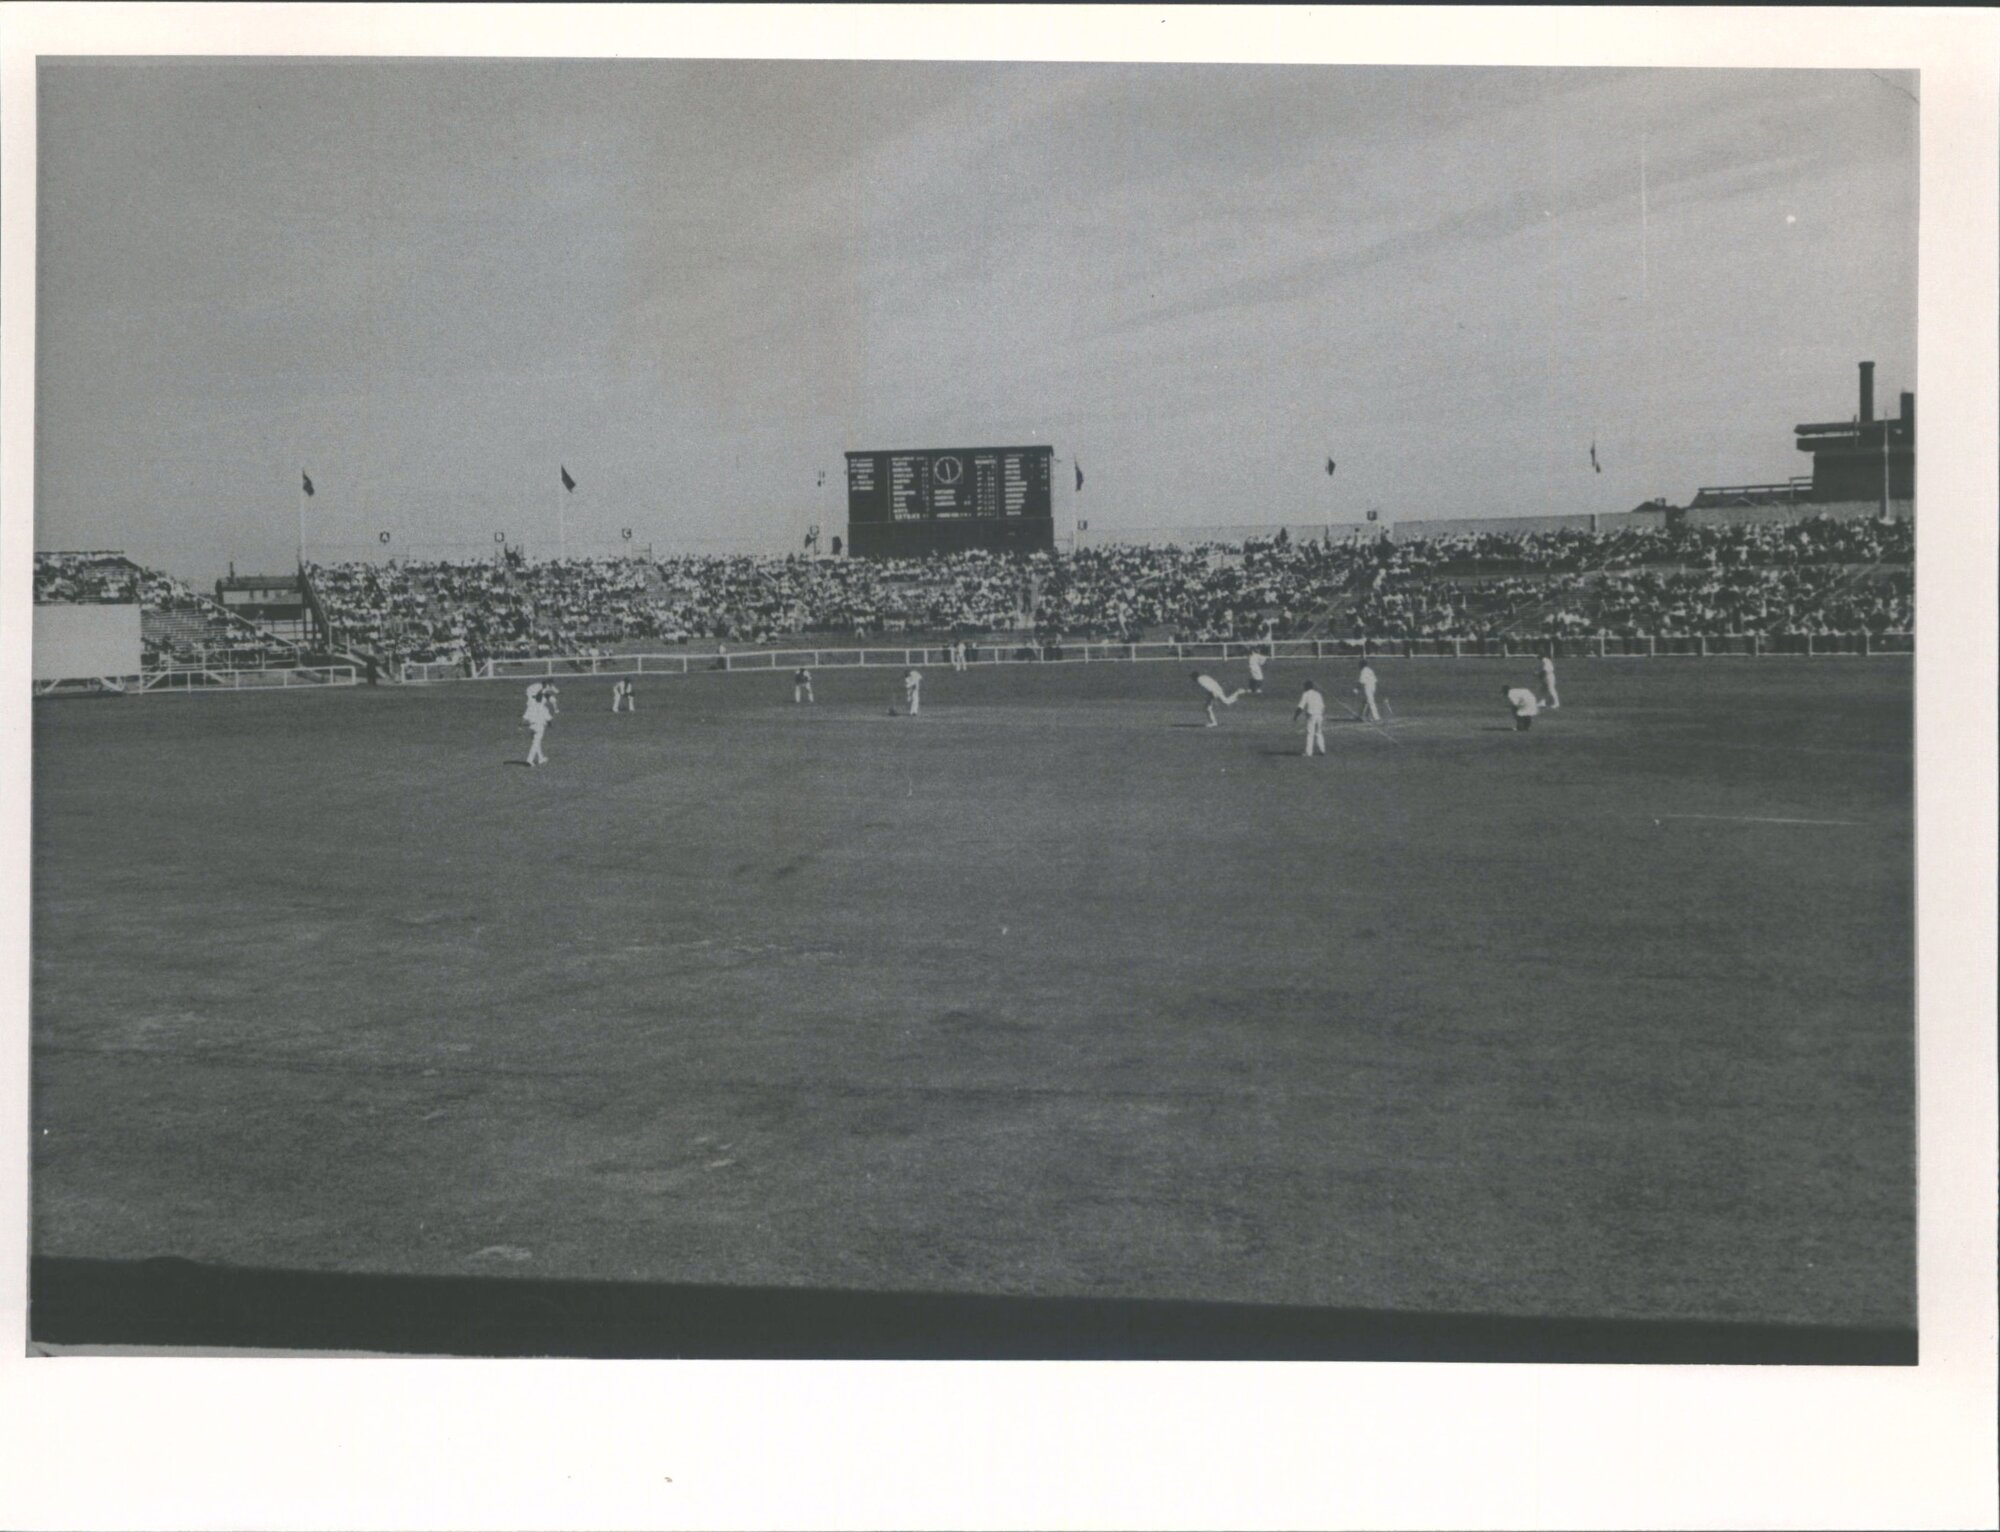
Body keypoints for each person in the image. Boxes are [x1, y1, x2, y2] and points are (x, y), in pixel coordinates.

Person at [1294, 678, 1327, 757]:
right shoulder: (1318, 694)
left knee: (1310, 734)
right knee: (1319, 733)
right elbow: (1323, 707)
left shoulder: (1306, 694)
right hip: (1320, 715)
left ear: (1306, 687)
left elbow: (1300, 707)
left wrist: (1295, 716)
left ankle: (1309, 752)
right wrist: (1320, 714)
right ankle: (1322, 750)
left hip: (1311, 716)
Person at [523, 683, 552, 765]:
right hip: (539, 727)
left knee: (536, 742)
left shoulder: (531, 706)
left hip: (531, 727)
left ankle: (541, 758)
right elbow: (549, 719)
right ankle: (529, 760)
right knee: (535, 743)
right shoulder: (544, 708)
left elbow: (524, 718)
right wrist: (550, 725)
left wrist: (521, 726)